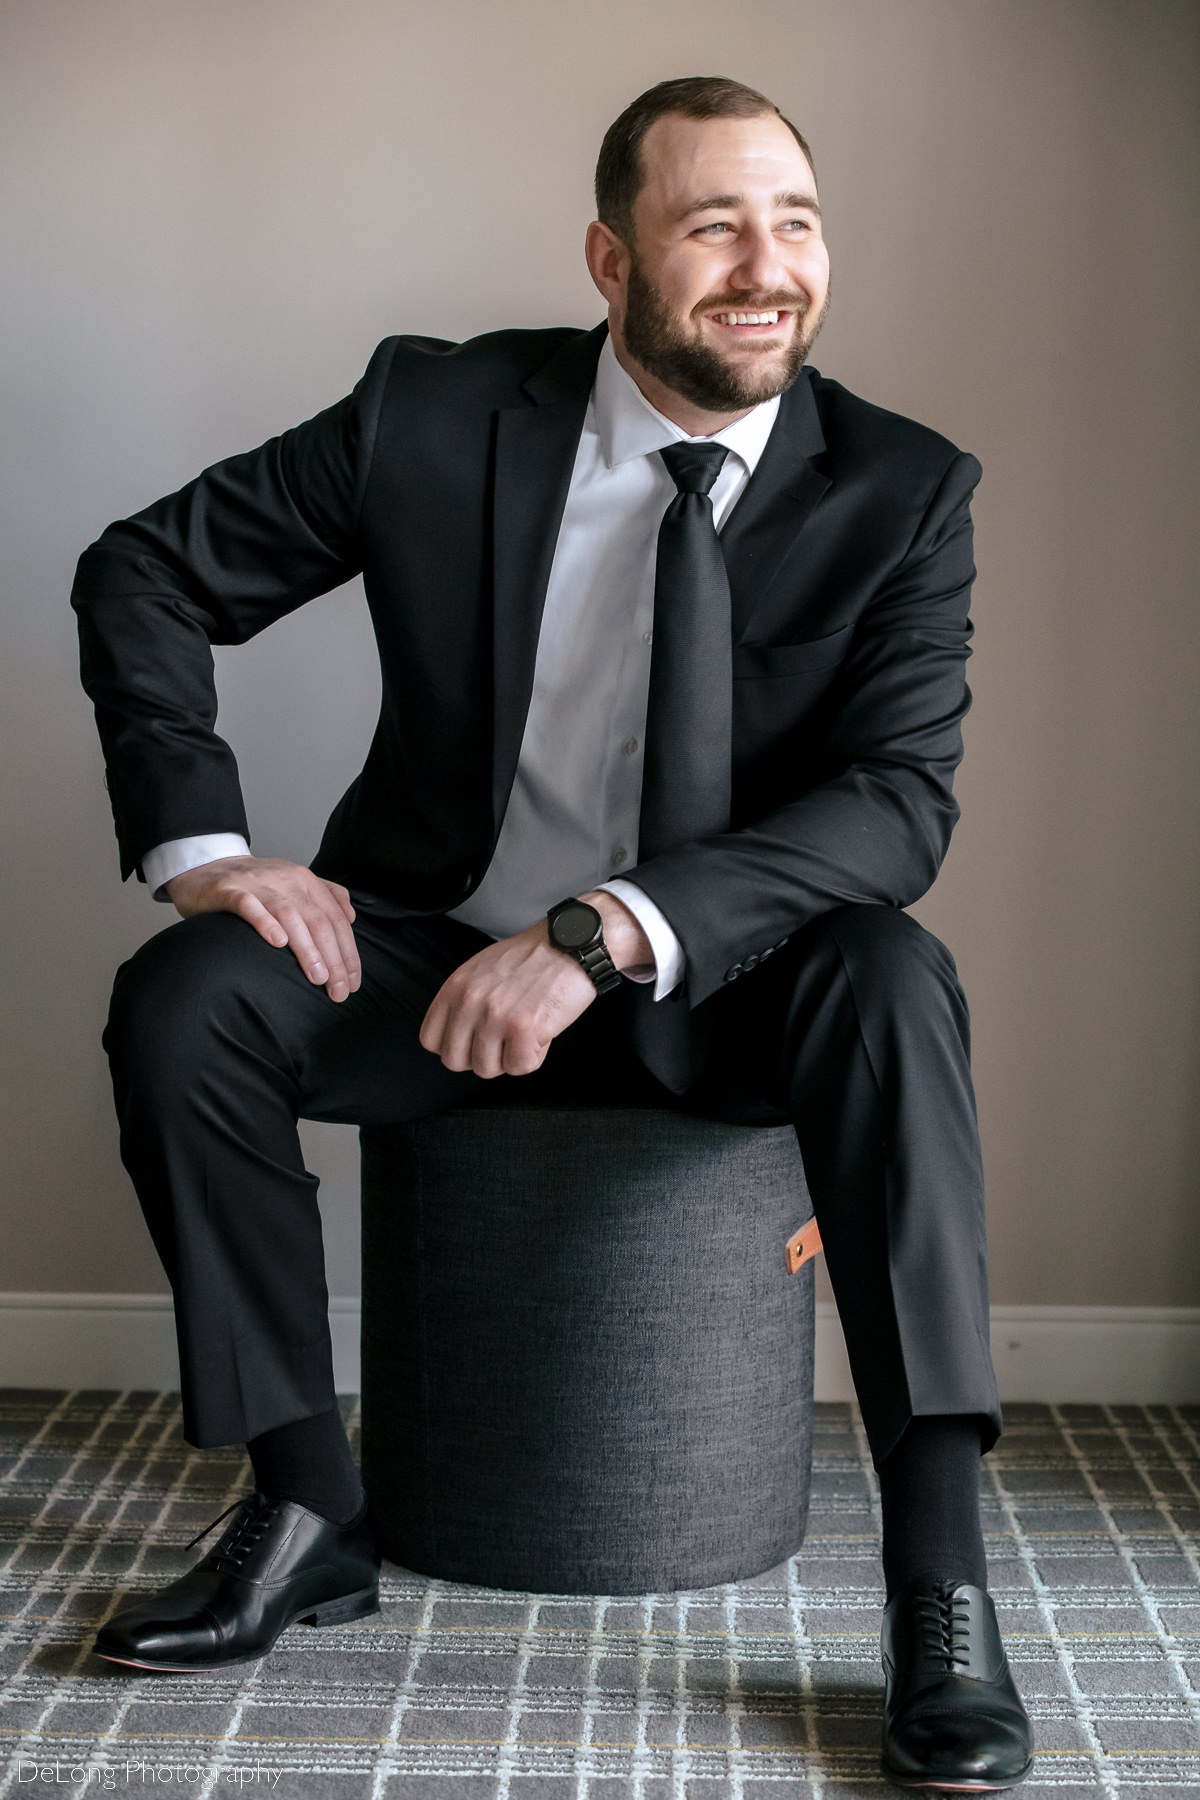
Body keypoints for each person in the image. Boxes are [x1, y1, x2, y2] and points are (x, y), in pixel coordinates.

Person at [72, 76, 1033, 1790]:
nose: (768, 266)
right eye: (713, 223)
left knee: (897, 974)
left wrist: (606, 931)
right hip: (437, 943)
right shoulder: (432, 413)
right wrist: (208, 849)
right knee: (186, 999)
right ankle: (305, 1506)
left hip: (725, 980)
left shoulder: (902, 488)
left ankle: (941, 1585)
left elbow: (897, 806)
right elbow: (143, 570)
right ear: (611, 256)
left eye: (797, 222)